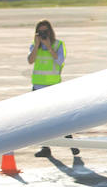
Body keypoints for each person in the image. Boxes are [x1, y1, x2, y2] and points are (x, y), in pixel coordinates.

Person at [27, 20, 79, 157]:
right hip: (38, 87)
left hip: (54, 86)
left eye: (46, 31)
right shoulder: (35, 45)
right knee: (40, 119)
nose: (44, 34)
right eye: (41, 32)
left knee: (61, 117)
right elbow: (30, 60)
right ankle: (45, 147)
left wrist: (49, 47)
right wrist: (37, 45)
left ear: (50, 32)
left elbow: (59, 61)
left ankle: (72, 145)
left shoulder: (58, 45)